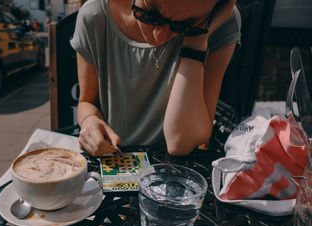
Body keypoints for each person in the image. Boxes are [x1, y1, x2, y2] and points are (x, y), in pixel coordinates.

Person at [70, 0, 241, 157]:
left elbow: (180, 143)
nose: (159, 36)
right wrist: (89, 120)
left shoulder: (221, 23)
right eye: (150, 15)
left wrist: (197, 40)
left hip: (175, 168)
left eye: (182, 26)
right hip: (114, 157)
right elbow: (87, 101)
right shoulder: (94, 16)